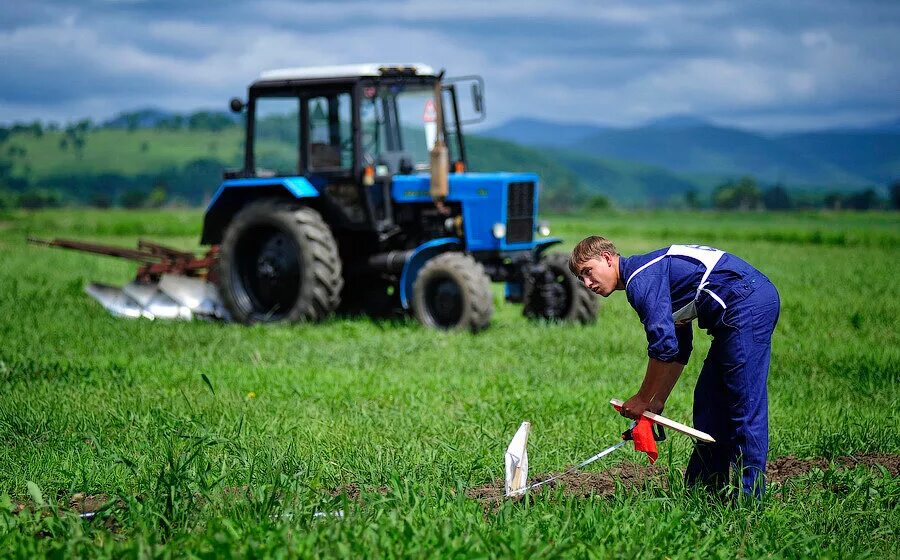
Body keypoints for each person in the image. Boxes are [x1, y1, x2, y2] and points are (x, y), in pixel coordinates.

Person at [569, 236, 780, 496]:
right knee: (709, 403)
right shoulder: (647, 275)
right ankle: (703, 490)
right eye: (582, 278)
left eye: (588, 272)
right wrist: (657, 401)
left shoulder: (641, 279)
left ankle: (750, 501)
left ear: (607, 258)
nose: (588, 283)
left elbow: (663, 347)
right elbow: (680, 346)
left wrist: (642, 398)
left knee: (744, 405)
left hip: (747, 304)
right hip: (736, 313)